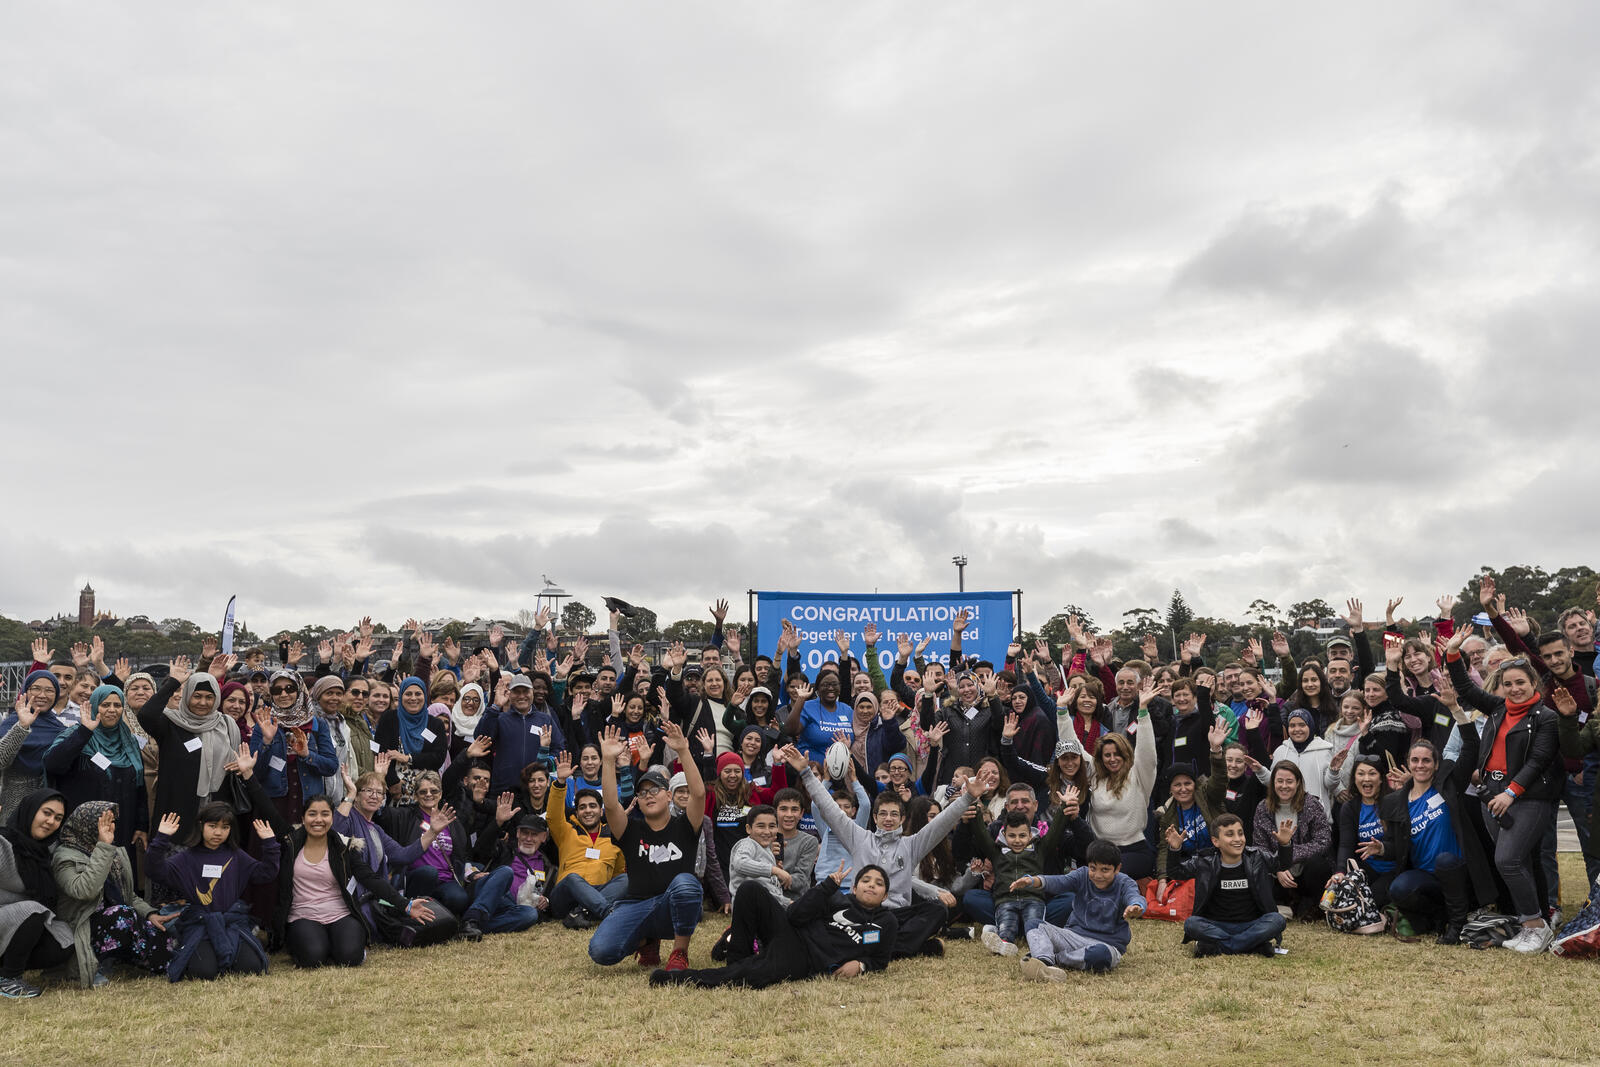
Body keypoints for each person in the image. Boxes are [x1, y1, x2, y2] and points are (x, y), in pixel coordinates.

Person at [785, 742, 982, 958]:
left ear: (902, 818)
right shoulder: (859, 838)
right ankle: (907, 947)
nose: (888, 819)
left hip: (895, 915)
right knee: (829, 906)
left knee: (936, 911)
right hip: (861, 911)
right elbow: (829, 809)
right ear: (875, 817)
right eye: (883, 814)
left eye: (894, 814)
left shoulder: (911, 844)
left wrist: (967, 798)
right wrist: (806, 773)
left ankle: (876, 945)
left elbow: (940, 824)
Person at [1444, 625, 1562, 951]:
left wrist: (1511, 793)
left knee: (1507, 860)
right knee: (1515, 862)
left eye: (1520, 683)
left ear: (1533, 683)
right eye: (1508, 684)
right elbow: (1466, 689)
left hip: (1527, 797)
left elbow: (1538, 761)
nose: (1514, 689)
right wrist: (1453, 653)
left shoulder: (1545, 717)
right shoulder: (1497, 708)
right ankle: (1527, 924)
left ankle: (1537, 926)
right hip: (1490, 795)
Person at [650, 861, 896, 988]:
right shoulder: (836, 898)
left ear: (885, 895)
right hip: (791, 932)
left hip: (804, 960)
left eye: (878, 883)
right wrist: (825, 888)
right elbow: (795, 916)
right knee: (750, 889)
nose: (871, 885)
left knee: (754, 976)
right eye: (865, 880)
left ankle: (679, 979)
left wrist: (862, 965)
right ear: (854, 887)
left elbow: (881, 960)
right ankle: (737, 958)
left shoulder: (887, 922)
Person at [587, 723, 705, 972]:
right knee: (601, 951)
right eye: (642, 793)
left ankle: (679, 952)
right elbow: (610, 806)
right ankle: (646, 941)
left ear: (669, 796)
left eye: (655, 790)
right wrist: (608, 761)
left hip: (672, 902)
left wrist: (684, 750)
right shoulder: (631, 830)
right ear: (638, 801)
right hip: (635, 905)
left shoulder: (685, 825)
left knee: (686, 884)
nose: (648, 795)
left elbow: (699, 794)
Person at [272, 795, 438, 968]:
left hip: (340, 914)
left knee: (350, 957)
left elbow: (370, 878)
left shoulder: (343, 847)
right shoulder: (291, 844)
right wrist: (248, 775)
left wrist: (405, 904)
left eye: (325, 814)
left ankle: (336, 945)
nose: (318, 820)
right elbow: (267, 808)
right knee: (313, 958)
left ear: (332, 818)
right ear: (303, 818)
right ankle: (316, 944)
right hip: (303, 915)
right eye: (312, 814)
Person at [144, 800, 281, 981]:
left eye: (225, 827)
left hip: (231, 922)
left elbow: (266, 874)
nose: (218, 832)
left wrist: (270, 843)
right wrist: (161, 838)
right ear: (201, 825)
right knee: (203, 973)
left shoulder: (236, 855)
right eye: (213, 826)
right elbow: (154, 870)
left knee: (251, 968)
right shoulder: (186, 857)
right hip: (199, 923)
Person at [51, 800, 171, 987]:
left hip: (112, 920)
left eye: (113, 821)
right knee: (122, 916)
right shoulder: (65, 856)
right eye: (104, 821)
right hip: (82, 924)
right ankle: (97, 963)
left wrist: (150, 913)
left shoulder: (111, 852)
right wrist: (103, 848)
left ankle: (136, 958)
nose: (110, 826)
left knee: (164, 943)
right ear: (86, 823)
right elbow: (85, 891)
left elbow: (127, 895)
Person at [44, 684, 149, 868]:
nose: (112, 710)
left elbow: (139, 786)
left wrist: (141, 825)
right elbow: (53, 765)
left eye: (117, 705)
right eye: (105, 705)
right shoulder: (78, 734)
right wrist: (85, 732)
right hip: (84, 829)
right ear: (94, 707)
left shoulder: (129, 741)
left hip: (122, 826)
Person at [138, 659, 243, 842]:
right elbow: (146, 715)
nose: (203, 702)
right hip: (177, 818)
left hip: (217, 818)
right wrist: (173, 683)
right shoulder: (171, 724)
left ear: (216, 698)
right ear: (187, 696)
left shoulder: (227, 725)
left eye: (209, 697)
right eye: (197, 696)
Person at [1015, 838, 1146, 977]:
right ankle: (1043, 960)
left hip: (1106, 944)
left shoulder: (1125, 883)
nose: (1098, 875)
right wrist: (1033, 880)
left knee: (1101, 956)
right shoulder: (1082, 875)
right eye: (1093, 868)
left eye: (1105, 870)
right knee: (1034, 924)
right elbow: (1060, 881)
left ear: (1117, 869)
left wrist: (1136, 906)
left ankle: (1056, 959)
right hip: (1073, 936)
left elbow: (1134, 896)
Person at [1177, 813, 1291, 957]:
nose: (1237, 839)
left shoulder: (1257, 856)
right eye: (1230, 835)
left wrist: (1285, 845)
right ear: (1215, 841)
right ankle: (1252, 945)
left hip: (1251, 924)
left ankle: (1220, 947)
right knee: (1191, 924)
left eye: (1240, 833)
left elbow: (1282, 864)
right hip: (1216, 925)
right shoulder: (1204, 861)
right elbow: (1177, 872)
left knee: (1277, 920)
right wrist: (1174, 849)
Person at [967, 802, 1074, 956]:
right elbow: (981, 834)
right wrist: (976, 809)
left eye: (1022, 835)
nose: (1017, 840)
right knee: (1006, 926)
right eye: (1012, 835)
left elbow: (1055, 832)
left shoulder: (1039, 850)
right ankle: (1004, 943)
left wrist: (1065, 806)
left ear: (1030, 835)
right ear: (1004, 835)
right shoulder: (997, 853)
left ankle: (1036, 946)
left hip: (1033, 900)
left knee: (1034, 925)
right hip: (1005, 901)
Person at [0, 790, 74, 998]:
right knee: (32, 910)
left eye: (58, 818)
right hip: (11, 918)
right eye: (46, 813)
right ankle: (9, 980)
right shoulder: (4, 841)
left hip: (14, 925)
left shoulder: (43, 854)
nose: (51, 821)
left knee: (64, 941)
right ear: (31, 810)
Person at [1087, 680, 1159, 880]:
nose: (1112, 759)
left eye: (1117, 754)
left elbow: (1147, 752)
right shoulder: (1095, 777)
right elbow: (1075, 750)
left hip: (1134, 852)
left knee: (1110, 876)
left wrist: (1143, 711)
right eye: (1107, 755)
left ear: (1126, 754)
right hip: (1100, 851)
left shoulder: (1138, 775)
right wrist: (1061, 713)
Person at [547, 751, 628, 928]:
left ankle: (581, 913)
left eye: (593, 806)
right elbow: (553, 816)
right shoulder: (567, 830)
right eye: (582, 807)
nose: (588, 810)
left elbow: (618, 873)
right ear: (576, 812)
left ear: (601, 811)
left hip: (598, 892)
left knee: (626, 879)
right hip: (566, 894)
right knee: (572, 878)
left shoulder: (613, 836)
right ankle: (608, 914)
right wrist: (560, 783)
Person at [1251, 761, 1332, 918]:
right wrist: (1277, 868)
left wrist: (1288, 854)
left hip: (1305, 869)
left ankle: (1310, 903)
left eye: (1289, 781)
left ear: (1298, 783)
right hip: (1277, 874)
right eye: (1279, 781)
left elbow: (1323, 840)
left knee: (1319, 865)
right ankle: (1282, 903)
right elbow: (1260, 847)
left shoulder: (1311, 804)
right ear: (1272, 782)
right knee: (1256, 866)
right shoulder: (1263, 808)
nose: (1284, 786)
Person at [0, 672, 74, 816]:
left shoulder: (60, 729)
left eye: (49, 690)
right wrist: (22, 727)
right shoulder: (11, 722)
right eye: (36, 688)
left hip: (50, 803)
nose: (42, 695)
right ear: (26, 691)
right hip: (15, 805)